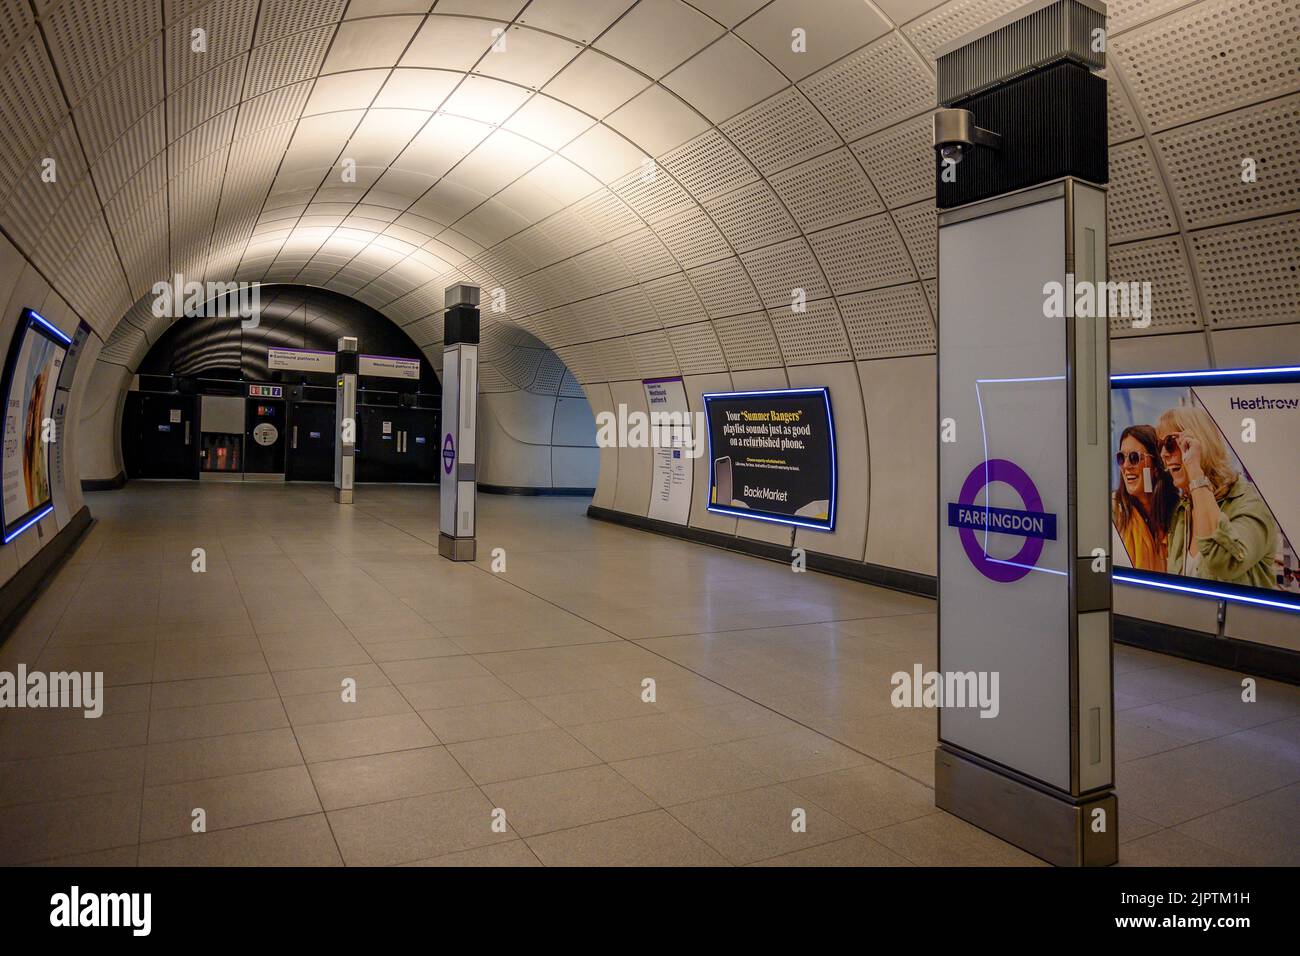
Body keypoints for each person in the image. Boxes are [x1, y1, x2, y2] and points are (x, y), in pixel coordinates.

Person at [1156, 405, 1279, 589]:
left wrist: (1196, 473)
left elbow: (1223, 559)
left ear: (1199, 444)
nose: (1163, 453)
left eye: (1170, 443)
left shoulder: (1250, 504)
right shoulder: (1183, 510)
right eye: (1160, 446)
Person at [1112, 424, 1177, 572]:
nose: (1126, 466)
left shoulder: (1178, 514)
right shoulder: (1112, 513)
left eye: (1134, 457)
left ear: (1155, 466)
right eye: (1121, 458)